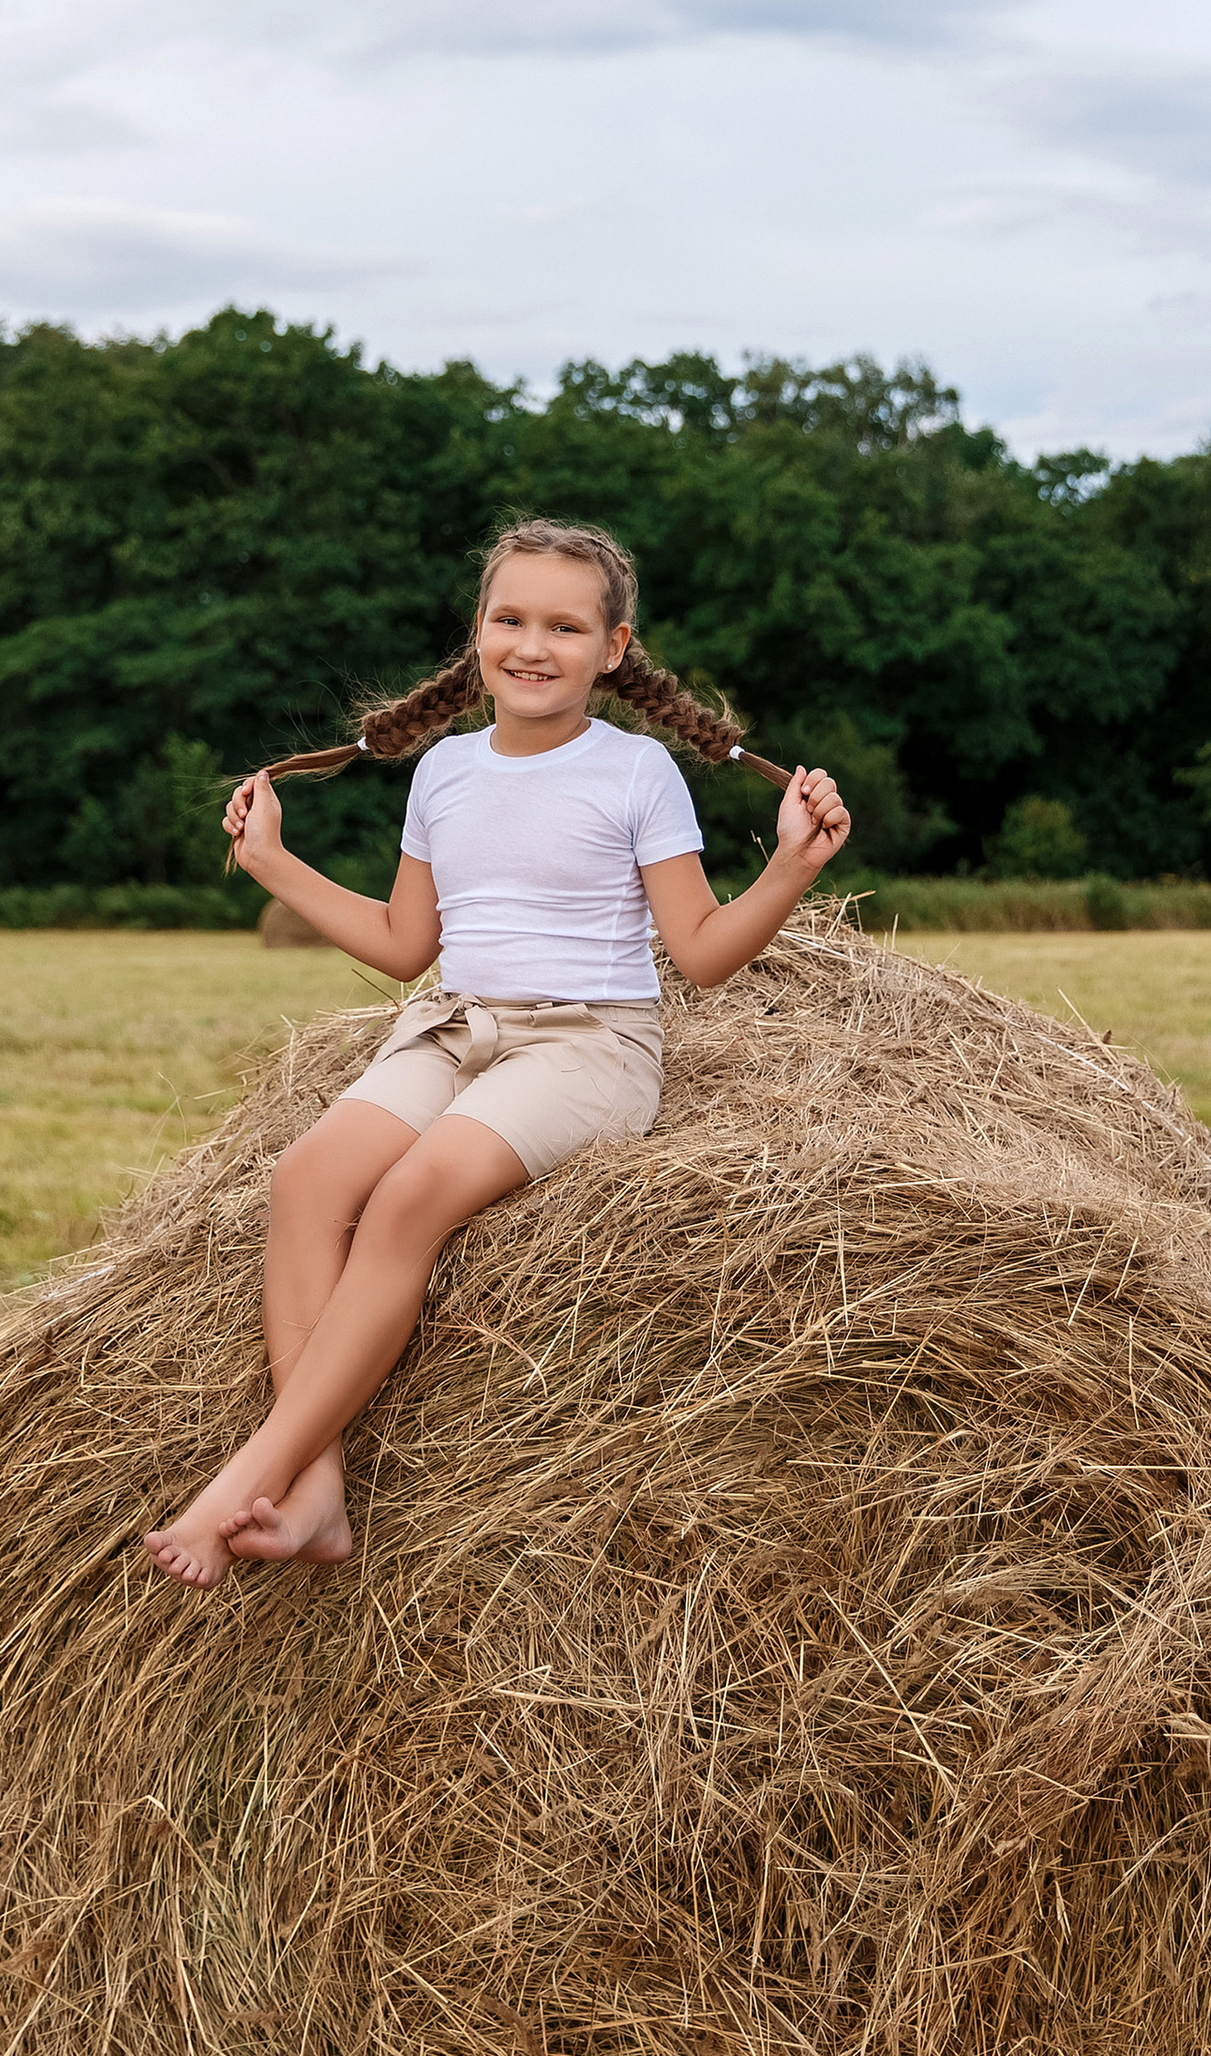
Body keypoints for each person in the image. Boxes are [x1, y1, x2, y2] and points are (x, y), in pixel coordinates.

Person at [142, 517, 852, 1588]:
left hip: (588, 1042)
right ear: (475, 633)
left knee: (406, 1200)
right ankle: (317, 1491)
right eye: (509, 618)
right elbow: (404, 944)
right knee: (306, 1181)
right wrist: (275, 865)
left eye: (565, 627)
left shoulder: (637, 770)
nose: (533, 645)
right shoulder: (444, 772)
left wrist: (790, 868)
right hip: (453, 1024)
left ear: (614, 648)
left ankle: (246, 1476)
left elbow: (701, 954)